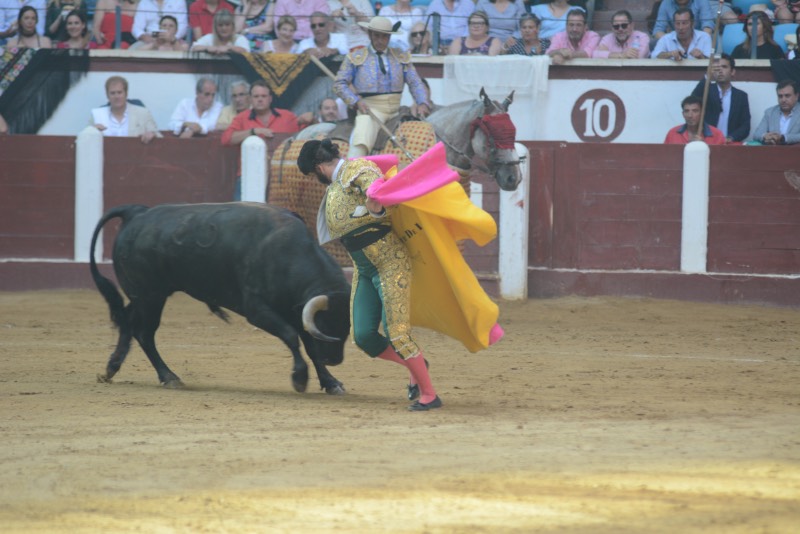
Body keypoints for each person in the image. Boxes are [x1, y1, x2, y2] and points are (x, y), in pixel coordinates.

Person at [296, 138, 442, 411]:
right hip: (365, 270)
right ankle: (416, 364)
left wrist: (376, 201)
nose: (315, 179)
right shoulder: (339, 184)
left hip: (390, 263)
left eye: (312, 174)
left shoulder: (357, 169)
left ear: (318, 167)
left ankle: (429, 395)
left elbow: (377, 188)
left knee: (397, 333)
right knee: (363, 336)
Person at [333, 16, 430, 158]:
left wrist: (422, 102)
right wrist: (356, 101)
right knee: (361, 141)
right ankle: (351, 173)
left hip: (398, 109)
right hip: (371, 111)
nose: (380, 40)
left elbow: (415, 82)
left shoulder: (401, 56)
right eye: (376, 35)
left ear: (389, 37)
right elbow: (339, 84)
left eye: (384, 36)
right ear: (370, 34)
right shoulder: (356, 56)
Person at [221, 79, 300, 199]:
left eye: (263, 96)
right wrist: (253, 131)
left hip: (280, 177)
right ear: (250, 99)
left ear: (270, 98)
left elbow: (305, 133)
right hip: (249, 175)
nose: (260, 99)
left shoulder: (287, 116)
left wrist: (310, 120)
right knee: (242, 215)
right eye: (256, 96)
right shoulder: (242, 118)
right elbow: (226, 139)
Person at [690, 54, 751, 143]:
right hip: (706, 142)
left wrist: (731, 138)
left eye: (724, 67)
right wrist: (707, 77)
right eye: (716, 68)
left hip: (729, 144)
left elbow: (745, 126)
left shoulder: (741, 96)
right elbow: (693, 99)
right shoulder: (707, 91)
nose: (720, 71)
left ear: (733, 71)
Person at [90, 75, 161, 144]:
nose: (116, 96)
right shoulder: (98, 115)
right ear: (107, 95)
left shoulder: (143, 113)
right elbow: (86, 138)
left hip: (136, 154)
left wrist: (152, 134)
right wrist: (92, 132)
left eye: (119, 92)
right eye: (112, 93)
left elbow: (159, 136)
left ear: (126, 93)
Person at [751, 80, 800, 145]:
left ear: (796, 96)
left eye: (787, 96)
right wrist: (765, 136)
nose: (783, 100)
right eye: (780, 96)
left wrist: (783, 138)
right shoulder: (770, 112)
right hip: (772, 152)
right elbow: (757, 134)